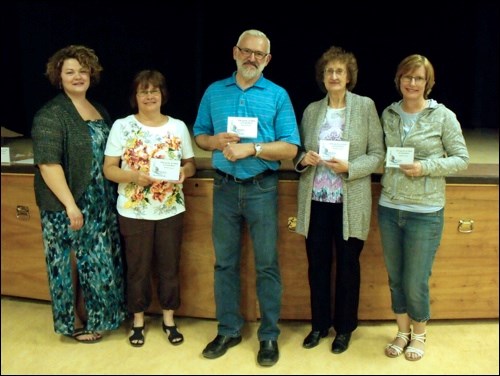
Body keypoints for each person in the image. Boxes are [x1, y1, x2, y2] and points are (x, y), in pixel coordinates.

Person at [193, 29, 300, 367]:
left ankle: (269, 335)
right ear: (235, 52)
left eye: (259, 54)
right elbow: (199, 136)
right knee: (224, 263)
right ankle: (229, 329)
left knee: (267, 264)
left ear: (267, 60)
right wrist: (214, 142)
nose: (251, 58)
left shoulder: (278, 95)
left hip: (261, 188)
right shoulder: (213, 92)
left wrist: (252, 148)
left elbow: (290, 147)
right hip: (223, 187)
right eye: (246, 51)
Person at [31, 45, 127, 343]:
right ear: (58, 76)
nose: (77, 77)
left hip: (101, 202)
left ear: (91, 74)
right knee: (70, 263)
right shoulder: (51, 114)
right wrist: (71, 206)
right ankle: (73, 323)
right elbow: (48, 165)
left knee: (98, 262)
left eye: (82, 71)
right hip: (67, 205)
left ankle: (99, 318)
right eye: (69, 72)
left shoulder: (99, 109)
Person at [293, 46, 385, 354]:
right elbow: (300, 153)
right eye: (329, 71)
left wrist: (351, 168)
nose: (334, 76)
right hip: (316, 199)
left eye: (339, 71)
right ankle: (319, 325)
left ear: (349, 77)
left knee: (348, 266)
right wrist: (304, 158)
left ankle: (344, 329)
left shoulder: (365, 106)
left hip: (350, 202)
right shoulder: (311, 110)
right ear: (323, 77)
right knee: (317, 265)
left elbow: (377, 155)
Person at [379, 54, 469, 361]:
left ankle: (419, 335)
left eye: (418, 78)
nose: (412, 83)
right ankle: (402, 331)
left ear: (427, 83)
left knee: (415, 279)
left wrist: (425, 166)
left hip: (425, 212)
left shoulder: (443, 116)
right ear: (399, 80)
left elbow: (461, 158)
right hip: (390, 206)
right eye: (407, 77)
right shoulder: (389, 113)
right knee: (395, 277)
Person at [103, 69, 196, 347]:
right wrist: (133, 176)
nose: (149, 96)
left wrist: (184, 173)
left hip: (170, 209)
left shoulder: (178, 126)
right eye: (143, 91)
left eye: (154, 90)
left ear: (162, 95)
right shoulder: (122, 126)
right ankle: (138, 321)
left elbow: (190, 163)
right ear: (135, 96)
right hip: (133, 211)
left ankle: (169, 319)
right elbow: (109, 169)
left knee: (169, 267)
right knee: (138, 269)